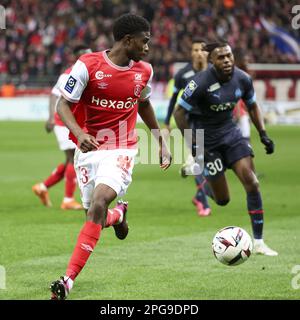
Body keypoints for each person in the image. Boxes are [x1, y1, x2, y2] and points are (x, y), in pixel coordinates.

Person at [50, 13, 172, 300]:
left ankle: (67, 280)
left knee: (99, 202)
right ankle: (118, 216)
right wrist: (79, 134)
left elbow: (144, 105)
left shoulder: (145, 71)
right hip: (89, 149)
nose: (147, 47)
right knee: (94, 215)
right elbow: (62, 104)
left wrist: (162, 142)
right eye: (144, 41)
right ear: (127, 40)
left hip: (122, 147)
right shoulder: (88, 66)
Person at [174, 41, 278, 256]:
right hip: (208, 143)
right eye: (221, 57)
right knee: (222, 200)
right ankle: (200, 172)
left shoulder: (242, 78)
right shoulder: (199, 82)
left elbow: (252, 105)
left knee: (252, 182)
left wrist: (263, 134)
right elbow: (178, 113)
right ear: (211, 60)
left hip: (231, 136)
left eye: (229, 56)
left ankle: (258, 242)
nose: (227, 60)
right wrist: (194, 144)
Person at [32, 45, 92, 210]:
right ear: (77, 57)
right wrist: (51, 117)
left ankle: (43, 187)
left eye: (90, 54)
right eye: (85, 55)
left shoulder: (88, 73)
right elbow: (54, 95)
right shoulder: (67, 76)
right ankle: (68, 200)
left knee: (70, 160)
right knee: (73, 159)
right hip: (64, 122)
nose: (89, 57)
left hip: (75, 123)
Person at [164, 38, 211, 217]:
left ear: (207, 53)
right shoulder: (183, 74)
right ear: (191, 53)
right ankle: (204, 203)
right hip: (191, 122)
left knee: (213, 163)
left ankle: (199, 194)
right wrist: (167, 123)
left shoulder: (215, 72)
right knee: (200, 161)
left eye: (202, 49)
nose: (199, 52)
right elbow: (173, 100)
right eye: (196, 49)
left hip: (213, 122)